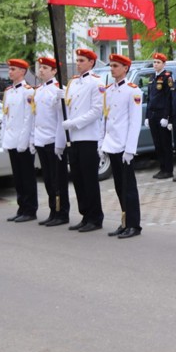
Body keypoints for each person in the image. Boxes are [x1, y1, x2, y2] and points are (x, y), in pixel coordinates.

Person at [63, 48, 105, 233]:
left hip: (88, 137)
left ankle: (95, 218)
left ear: (91, 62)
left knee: (89, 180)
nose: (78, 63)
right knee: (78, 179)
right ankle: (85, 214)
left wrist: (74, 123)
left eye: (81, 60)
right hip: (74, 138)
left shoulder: (96, 82)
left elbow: (96, 111)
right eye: (77, 60)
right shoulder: (73, 82)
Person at [102, 54, 144, 239]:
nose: (112, 69)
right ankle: (125, 221)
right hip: (112, 145)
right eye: (111, 65)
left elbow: (135, 122)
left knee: (129, 188)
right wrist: (101, 142)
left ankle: (134, 225)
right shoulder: (109, 90)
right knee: (120, 187)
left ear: (125, 68)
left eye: (116, 66)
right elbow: (107, 119)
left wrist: (130, 149)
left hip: (124, 146)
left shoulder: (132, 91)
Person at [30, 56, 69, 226]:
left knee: (58, 179)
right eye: (40, 67)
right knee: (47, 179)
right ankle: (53, 210)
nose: (41, 70)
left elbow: (63, 117)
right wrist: (33, 139)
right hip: (41, 139)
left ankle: (62, 213)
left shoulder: (59, 89)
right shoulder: (37, 91)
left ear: (54, 71)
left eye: (45, 68)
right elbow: (35, 116)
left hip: (54, 140)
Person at [1, 58, 37, 222]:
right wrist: (4, 139)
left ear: (22, 72)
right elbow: (5, 117)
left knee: (27, 176)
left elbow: (28, 118)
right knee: (18, 176)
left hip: (22, 140)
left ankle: (30, 209)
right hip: (12, 139)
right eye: (10, 69)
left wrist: (24, 142)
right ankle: (21, 207)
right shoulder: (8, 91)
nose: (10, 72)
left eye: (13, 69)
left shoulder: (28, 91)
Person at [146, 52, 174, 180]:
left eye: (158, 62)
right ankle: (162, 168)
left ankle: (168, 170)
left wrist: (166, 116)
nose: (155, 64)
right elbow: (149, 98)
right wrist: (147, 116)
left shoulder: (167, 77)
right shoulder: (152, 77)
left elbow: (169, 98)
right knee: (157, 144)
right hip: (152, 114)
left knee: (165, 144)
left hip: (161, 114)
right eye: (154, 62)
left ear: (164, 64)